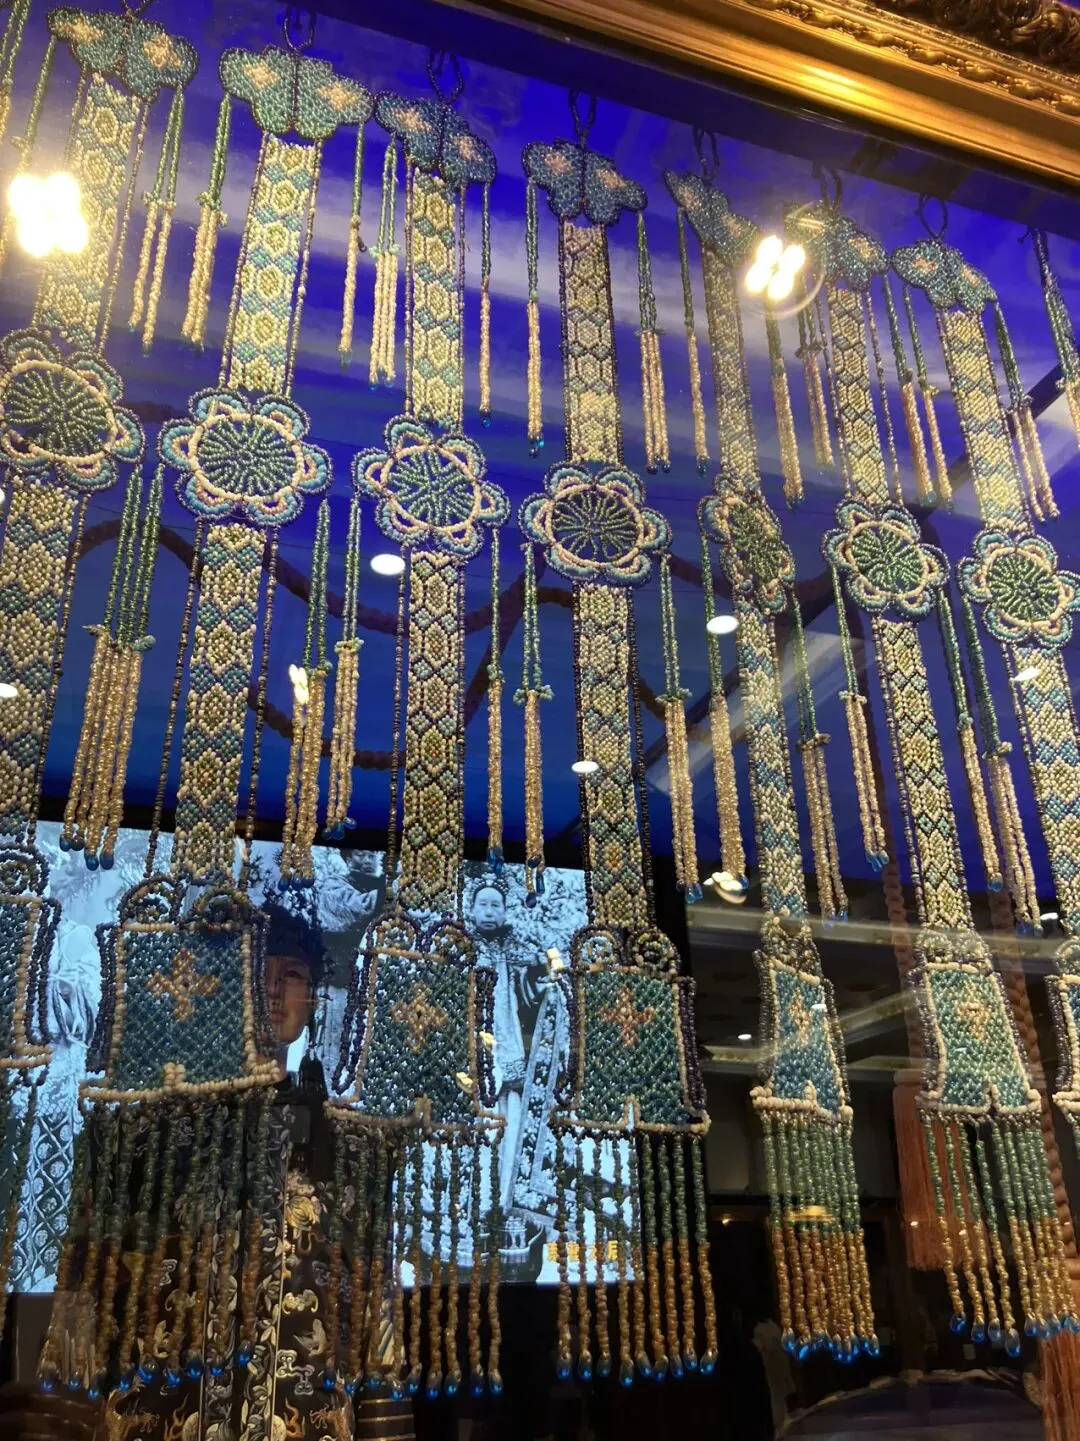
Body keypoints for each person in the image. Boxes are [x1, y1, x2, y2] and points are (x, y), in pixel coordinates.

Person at [104, 899, 351, 1441]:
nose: (274, 991)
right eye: (258, 969)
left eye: (293, 975)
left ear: (312, 997)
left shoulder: (343, 1141)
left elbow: (370, 1309)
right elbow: (96, 1284)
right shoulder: (152, 1129)